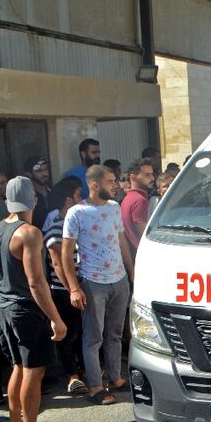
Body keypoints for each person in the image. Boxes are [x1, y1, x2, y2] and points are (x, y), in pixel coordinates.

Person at [0, 176, 67, 422]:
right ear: (33, 200)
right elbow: (36, 281)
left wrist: (2, 301)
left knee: (18, 368)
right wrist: (56, 319)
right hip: (26, 310)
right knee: (33, 372)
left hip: (5, 308)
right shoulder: (29, 233)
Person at [62, 165, 134, 405]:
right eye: (110, 181)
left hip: (119, 280)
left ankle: (115, 378)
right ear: (94, 184)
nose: (115, 185)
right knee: (93, 338)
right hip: (94, 283)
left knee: (114, 333)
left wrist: (131, 273)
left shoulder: (115, 208)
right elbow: (66, 254)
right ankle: (95, 386)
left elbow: (121, 240)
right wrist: (74, 287)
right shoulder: (76, 213)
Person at [41, 176, 87, 397]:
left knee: (80, 331)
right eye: (79, 195)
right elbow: (58, 263)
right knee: (68, 334)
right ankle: (72, 375)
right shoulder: (55, 227)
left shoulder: (77, 224)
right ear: (68, 200)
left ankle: (83, 369)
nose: (82, 199)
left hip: (80, 285)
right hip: (63, 290)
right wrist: (73, 289)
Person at [121, 158, 155, 255]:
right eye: (147, 175)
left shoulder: (127, 198)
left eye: (152, 174)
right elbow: (143, 233)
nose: (152, 178)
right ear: (133, 178)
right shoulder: (140, 200)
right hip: (139, 252)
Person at [23, 157, 52, 231]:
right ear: (28, 174)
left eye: (46, 169)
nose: (45, 174)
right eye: (39, 171)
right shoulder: (27, 197)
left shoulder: (53, 192)